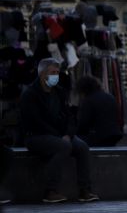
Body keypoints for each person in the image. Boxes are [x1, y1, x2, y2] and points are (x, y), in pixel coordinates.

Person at [19, 58, 99, 203]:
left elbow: (70, 117)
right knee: (64, 146)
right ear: (43, 74)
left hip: (61, 135)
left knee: (82, 147)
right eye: (52, 72)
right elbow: (36, 122)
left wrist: (68, 134)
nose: (56, 75)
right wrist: (59, 136)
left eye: (57, 72)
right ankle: (50, 191)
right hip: (37, 136)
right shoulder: (30, 95)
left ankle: (85, 190)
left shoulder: (60, 92)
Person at [75, 76, 123, 147]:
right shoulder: (110, 97)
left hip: (100, 137)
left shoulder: (88, 100)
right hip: (115, 135)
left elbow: (83, 124)